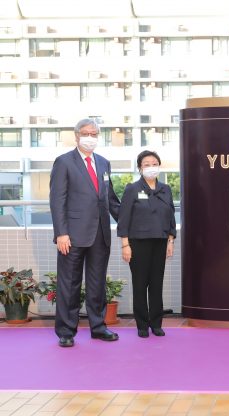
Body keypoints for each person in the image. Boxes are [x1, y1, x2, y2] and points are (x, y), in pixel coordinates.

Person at [49, 118, 120, 347]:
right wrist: (61, 233)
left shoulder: (104, 163)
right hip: (71, 235)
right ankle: (66, 331)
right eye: (86, 133)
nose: (91, 137)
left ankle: (98, 327)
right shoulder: (64, 162)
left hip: (100, 234)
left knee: (97, 283)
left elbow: (110, 200)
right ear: (77, 135)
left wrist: (131, 223)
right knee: (69, 283)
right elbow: (57, 200)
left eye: (94, 133)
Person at [117, 150, 176, 338]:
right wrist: (125, 245)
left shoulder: (165, 189)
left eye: (154, 163)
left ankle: (156, 323)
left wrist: (170, 240)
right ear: (140, 168)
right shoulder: (132, 189)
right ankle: (142, 324)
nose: (151, 167)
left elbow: (171, 217)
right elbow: (123, 219)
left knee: (157, 284)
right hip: (138, 243)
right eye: (146, 164)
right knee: (140, 284)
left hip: (160, 241)